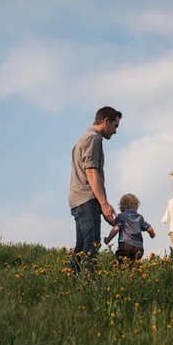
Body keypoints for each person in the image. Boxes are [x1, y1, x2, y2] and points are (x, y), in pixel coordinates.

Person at [68, 106, 122, 273]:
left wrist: (102, 204)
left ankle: (72, 279)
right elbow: (91, 171)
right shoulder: (93, 139)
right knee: (92, 242)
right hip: (86, 198)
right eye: (115, 125)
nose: (115, 131)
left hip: (78, 199)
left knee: (82, 244)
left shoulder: (83, 138)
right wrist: (104, 204)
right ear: (106, 121)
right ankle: (89, 282)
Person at [104, 193, 155, 265]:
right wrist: (152, 235)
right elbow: (149, 229)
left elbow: (116, 229)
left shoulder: (121, 216)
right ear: (136, 206)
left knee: (122, 265)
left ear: (122, 206)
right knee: (134, 266)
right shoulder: (140, 218)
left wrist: (108, 239)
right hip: (138, 247)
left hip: (125, 245)